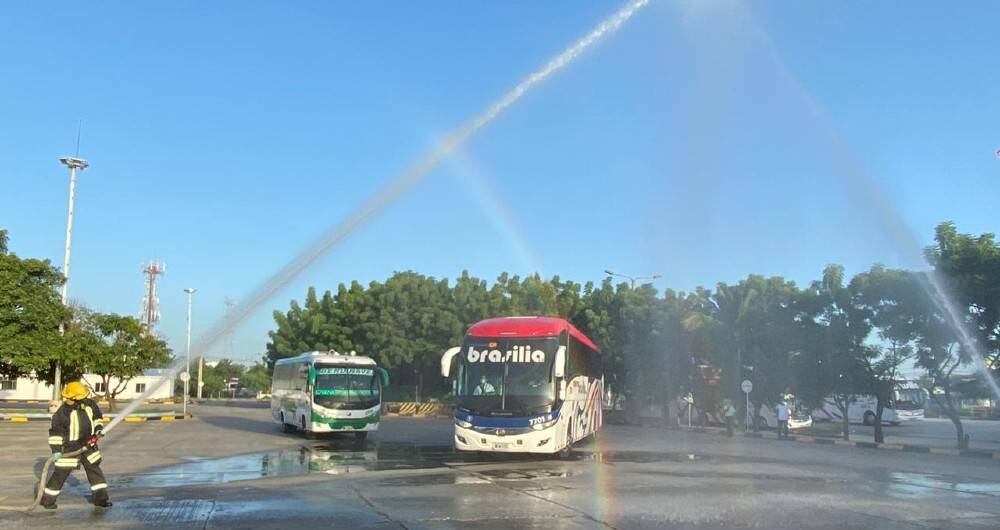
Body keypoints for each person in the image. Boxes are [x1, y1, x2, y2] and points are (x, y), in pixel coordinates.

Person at [41, 382, 112, 509]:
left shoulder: (90, 405)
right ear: (72, 398)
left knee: (94, 471)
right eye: (81, 398)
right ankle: (48, 500)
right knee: (60, 474)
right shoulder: (62, 413)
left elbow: (97, 418)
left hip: (89, 444)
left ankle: (101, 499)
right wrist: (56, 450)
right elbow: (56, 434)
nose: (84, 399)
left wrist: (98, 429)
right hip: (70, 448)